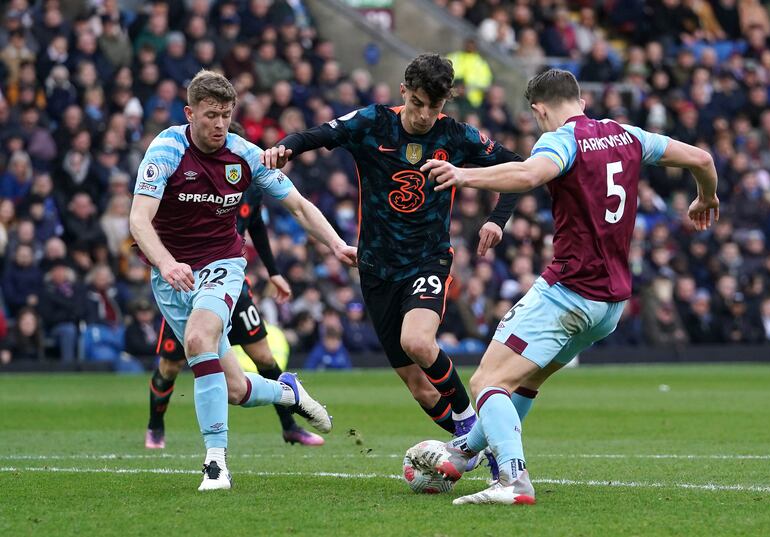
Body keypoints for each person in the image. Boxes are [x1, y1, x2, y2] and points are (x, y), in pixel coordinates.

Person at [408, 69, 720, 505]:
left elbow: (528, 174)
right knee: (525, 381)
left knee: (486, 382)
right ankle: (461, 454)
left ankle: (513, 480)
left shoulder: (562, 140)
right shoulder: (627, 135)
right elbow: (702, 159)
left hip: (569, 290)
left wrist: (463, 176)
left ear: (539, 109)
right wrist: (706, 198)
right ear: (581, 100)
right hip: (610, 304)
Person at [263, 53, 522, 438]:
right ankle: (472, 446)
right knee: (419, 387)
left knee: (416, 340)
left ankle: (471, 422)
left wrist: (496, 220)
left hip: (427, 260)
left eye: (434, 107)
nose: (424, 115)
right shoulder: (372, 122)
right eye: (417, 103)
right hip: (376, 269)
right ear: (403, 91)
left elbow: (515, 166)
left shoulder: (455, 135)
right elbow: (315, 135)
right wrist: (282, 149)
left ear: (445, 102)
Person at [129, 70, 357, 491]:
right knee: (234, 389)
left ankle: (215, 463)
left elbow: (299, 206)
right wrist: (164, 263)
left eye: (226, 115)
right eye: (210, 115)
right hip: (172, 275)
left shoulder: (245, 155)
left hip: (222, 263)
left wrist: (338, 245)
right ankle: (290, 394)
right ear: (189, 113)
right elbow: (138, 218)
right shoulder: (165, 149)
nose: (219, 124)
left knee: (198, 339)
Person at [146, 123, 323, 448]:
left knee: (264, 356)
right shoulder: (183, 172)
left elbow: (257, 223)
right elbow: (144, 218)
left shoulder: (250, 178)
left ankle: (280, 429)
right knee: (179, 368)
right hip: (184, 281)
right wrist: (165, 260)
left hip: (227, 279)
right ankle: (155, 426)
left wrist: (273, 271)